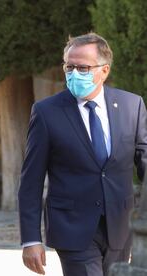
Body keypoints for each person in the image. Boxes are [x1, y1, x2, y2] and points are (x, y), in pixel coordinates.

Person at [18, 32, 147, 276]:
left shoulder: (132, 105)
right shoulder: (47, 112)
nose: (74, 73)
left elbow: (145, 161)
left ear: (104, 70)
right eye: (70, 66)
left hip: (120, 226)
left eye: (83, 67)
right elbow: (31, 180)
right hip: (72, 228)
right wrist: (30, 239)